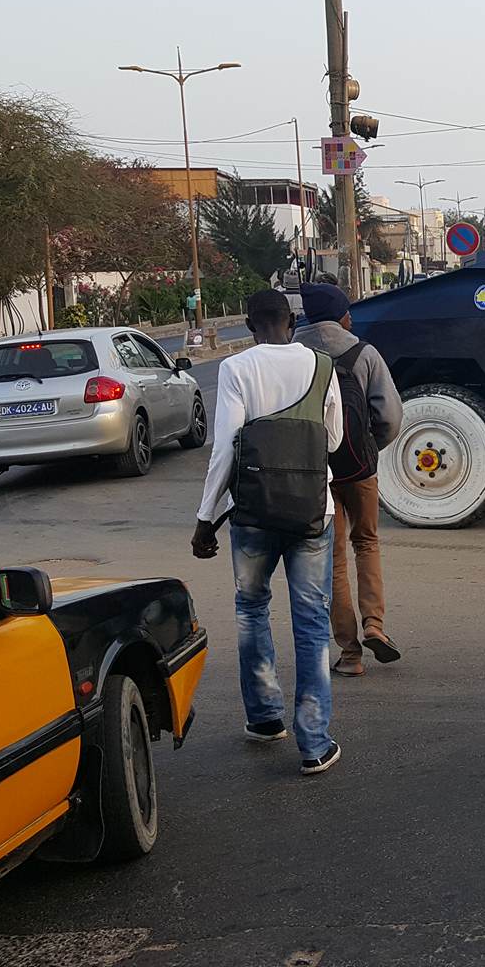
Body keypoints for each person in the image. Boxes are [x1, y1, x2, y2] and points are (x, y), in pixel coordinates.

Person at [191, 288, 346, 775]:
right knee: (312, 621)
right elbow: (335, 439)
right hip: (311, 513)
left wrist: (204, 518)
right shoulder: (323, 367)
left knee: (251, 611)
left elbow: (226, 450)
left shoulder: (237, 369)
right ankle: (314, 743)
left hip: (252, 514)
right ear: (291, 320)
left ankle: (263, 719)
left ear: (253, 325)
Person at [295, 282, 406, 677]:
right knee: (368, 542)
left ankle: (349, 653)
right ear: (342, 316)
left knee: (335, 559)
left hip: (313, 472)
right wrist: (370, 447)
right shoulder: (364, 353)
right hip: (359, 467)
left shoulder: (295, 357)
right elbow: (390, 416)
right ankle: (375, 625)